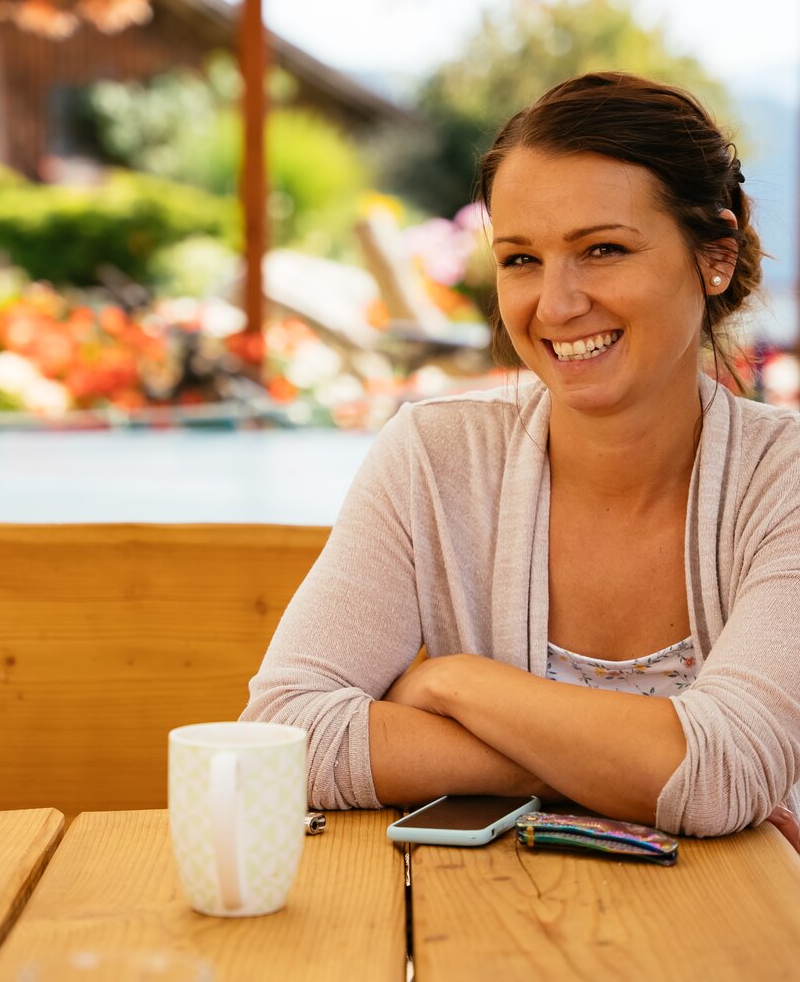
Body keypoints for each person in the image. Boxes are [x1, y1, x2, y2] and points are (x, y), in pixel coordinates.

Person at [241, 73, 800, 847]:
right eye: (521, 260)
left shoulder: (785, 484)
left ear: (714, 258)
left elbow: (720, 771)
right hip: (490, 933)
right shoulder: (434, 460)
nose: (557, 303)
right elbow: (282, 730)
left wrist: (454, 683)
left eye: (602, 250)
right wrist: (596, 769)